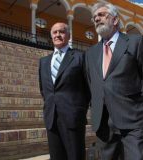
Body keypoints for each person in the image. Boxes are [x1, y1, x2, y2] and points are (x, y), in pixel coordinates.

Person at [85, 2, 143, 160]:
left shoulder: (135, 42)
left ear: (115, 20)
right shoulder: (90, 53)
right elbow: (91, 83)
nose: (97, 18)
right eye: (94, 17)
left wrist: (135, 102)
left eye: (102, 15)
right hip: (103, 122)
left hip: (132, 118)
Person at [39, 22, 90, 160]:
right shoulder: (43, 61)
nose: (58, 35)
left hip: (73, 117)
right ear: (51, 36)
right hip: (51, 117)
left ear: (68, 35)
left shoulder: (80, 57)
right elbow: (44, 90)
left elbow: (88, 88)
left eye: (61, 32)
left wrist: (80, 110)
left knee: (75, 156)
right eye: (55, 32)